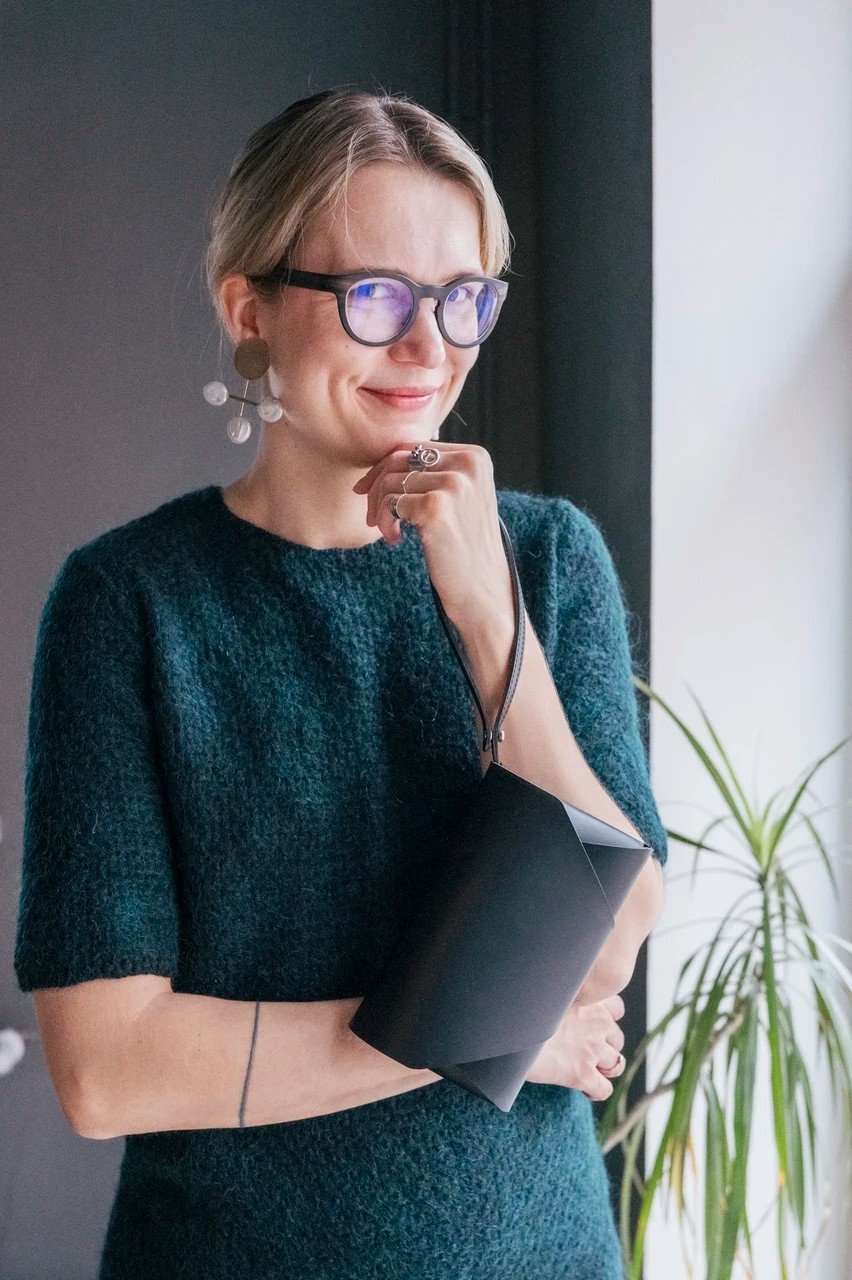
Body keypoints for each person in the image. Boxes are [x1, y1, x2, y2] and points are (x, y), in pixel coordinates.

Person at [14, 88, 668, 1279]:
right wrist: (471, 1033)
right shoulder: (129, 602)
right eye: (376, 296)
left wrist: (486, 616)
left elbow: (603, 942)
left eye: (464, 298)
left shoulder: (549, 560)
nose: (430, 348)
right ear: (250, 309)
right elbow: (105, 1070)